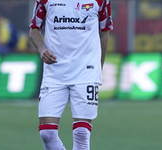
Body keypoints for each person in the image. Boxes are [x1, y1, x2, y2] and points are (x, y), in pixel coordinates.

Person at [29, 0, 113, 149]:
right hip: (54, 72)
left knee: (82, 133)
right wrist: (42, 49)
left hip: (86, 72)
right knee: (47, 134)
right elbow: (34, 29)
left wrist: (97, 71)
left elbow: (104, 33)